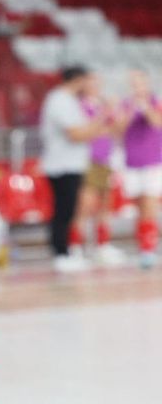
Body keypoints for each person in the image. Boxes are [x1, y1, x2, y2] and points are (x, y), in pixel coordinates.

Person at [39, 66, 114, 273]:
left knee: (68, 209)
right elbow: (76, 134)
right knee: (64, 210)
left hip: (71, 163)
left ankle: (65, 252)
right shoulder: (59, 100)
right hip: (61, 164)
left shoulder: (68, 100)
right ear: (77, 80)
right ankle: (61, 253)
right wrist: (101, 118)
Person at [70, 74, 124, 266]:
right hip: (88, 161)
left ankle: (102, 246)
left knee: (105, 206)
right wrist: (104, 119)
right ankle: (75, 247)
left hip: (106, 160)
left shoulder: (102, 106)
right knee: (84, 206)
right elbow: (87, 130)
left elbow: (115, 130)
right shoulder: (79, 106)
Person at [117, 70, 162, 269]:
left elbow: (157, 123)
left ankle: (149, 249)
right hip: (132, 163)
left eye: (140, 83)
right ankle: (143, 247)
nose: (137, 87)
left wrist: (146, 108)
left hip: (153, 162)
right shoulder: (125, 105)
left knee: (149, 206)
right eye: (134, 84)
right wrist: (132, 110)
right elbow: (118, 129)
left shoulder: (156, 101)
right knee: (139, 207)